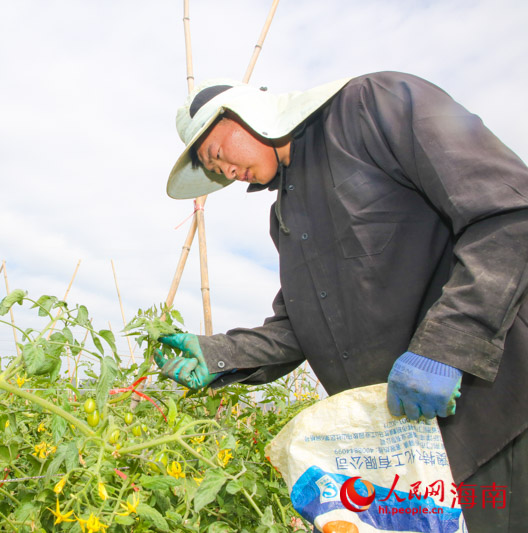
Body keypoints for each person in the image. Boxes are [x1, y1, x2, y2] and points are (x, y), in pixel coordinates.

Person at [156, 71, 528, 532]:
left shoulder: (373, 107)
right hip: (412, 452)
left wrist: (447, 346)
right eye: (214, 174)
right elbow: (300, 326)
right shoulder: (286, 216)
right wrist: (218, 354)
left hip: (498, 411)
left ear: (243, 113)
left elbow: (508, 211)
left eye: (217, 156)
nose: (225, 174)